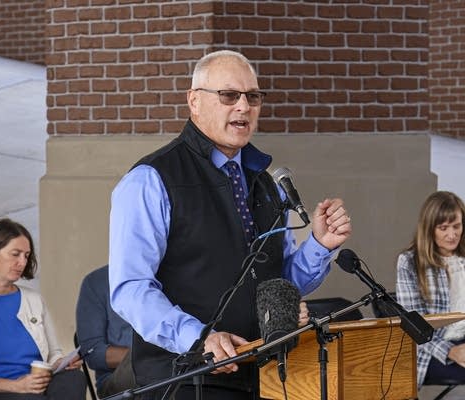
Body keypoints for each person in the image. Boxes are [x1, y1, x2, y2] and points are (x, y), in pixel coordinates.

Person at [108, 50, 352, 400]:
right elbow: (130, 289)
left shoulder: (264, 183)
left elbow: (277, 285)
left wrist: (320, 244)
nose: (244, 106)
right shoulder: (151, 180)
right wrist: (198, 339)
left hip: (264, 377)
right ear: (194, 101)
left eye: (253, 96)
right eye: (229, 95)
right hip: (186, 378)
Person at [0, 218, 86, 400]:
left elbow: (53, 354)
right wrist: (17, 386)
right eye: (15, 254)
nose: (22, 262)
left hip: (38, 389)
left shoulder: (34, 300)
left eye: (26, 256)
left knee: (74, 379)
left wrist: (61, 363)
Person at [396, 191, 465, 389]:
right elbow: (414, 326)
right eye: (443, 228)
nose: (452, 235)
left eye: (457, 226)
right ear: (429, 229)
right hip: (432, 348)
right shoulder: (409, 262)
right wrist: (451, 352)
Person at [75, 265, 135, 397]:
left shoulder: (170, 275)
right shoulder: (96, 281)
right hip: (116, 379)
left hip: (174, 369)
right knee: (149, 368)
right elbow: (93, 353)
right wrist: (144, 357)